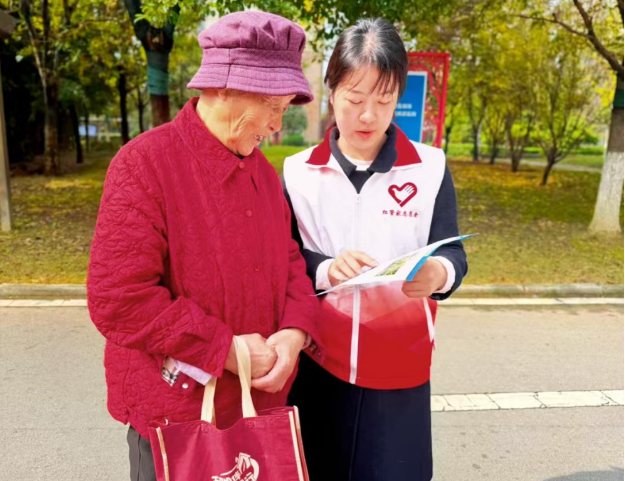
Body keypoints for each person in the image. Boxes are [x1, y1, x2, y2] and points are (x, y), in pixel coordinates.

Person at [86, 11, 322, 481]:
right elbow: (119, 299)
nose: (277, 124)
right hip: (177, 419)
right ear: (222, 87)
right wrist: (225, 349)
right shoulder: (144, 164)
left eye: (285, 107)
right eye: (270, 104)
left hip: (258, 409)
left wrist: (296, 333)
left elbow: (290, 260)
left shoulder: (263, 174)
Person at [284, 18, 468, 481]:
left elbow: (454, 254)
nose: (368, 115)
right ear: (331, 93)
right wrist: (327, 268)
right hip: (319, 359)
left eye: (384, 100)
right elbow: (286, 258)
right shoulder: (297, 172)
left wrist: (439, 273)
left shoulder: (429, 168)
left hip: (400, 361)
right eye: (355, 99)